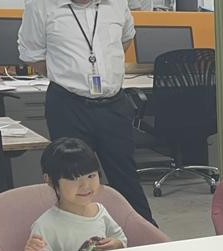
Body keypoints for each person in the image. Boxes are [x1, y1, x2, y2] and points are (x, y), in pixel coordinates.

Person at [19, 0, 157, 225]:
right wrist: (69, 76)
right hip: (69, 104)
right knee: (72, 178)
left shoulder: (117, 3)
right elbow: (32, 55)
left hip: (113, 105)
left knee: (126, 177)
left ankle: (144, 234)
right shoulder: (40, 6)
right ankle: (78, 236)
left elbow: (126, 38)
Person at [24, 138, 127, 251]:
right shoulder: (45, 226)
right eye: (73, 178)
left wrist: (117, 244)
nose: (85, 186)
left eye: (91, 176)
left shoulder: (100, 211)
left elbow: (120, 238)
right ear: (50, 180)